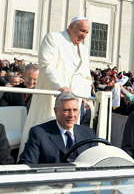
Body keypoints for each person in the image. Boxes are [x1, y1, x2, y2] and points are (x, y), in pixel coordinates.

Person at [20, 16, 93, 158]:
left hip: (74, 101)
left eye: (86, 33)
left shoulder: (83, 50)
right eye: (82, 30)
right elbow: (46, 65)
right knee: (44, 136)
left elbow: (86, 77)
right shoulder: (53, 39)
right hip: (52, 98)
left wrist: (85, 97)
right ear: (71, 27)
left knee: (68, 138)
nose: (84, 35)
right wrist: (61, 87)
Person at [18, 92, 97, 164]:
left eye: (75, 110)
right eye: (67, 110)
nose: (72, 115)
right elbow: (27, 164)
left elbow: (96, 162)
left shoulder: (88, 133)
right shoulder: (39, 133)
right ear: (56, 111)